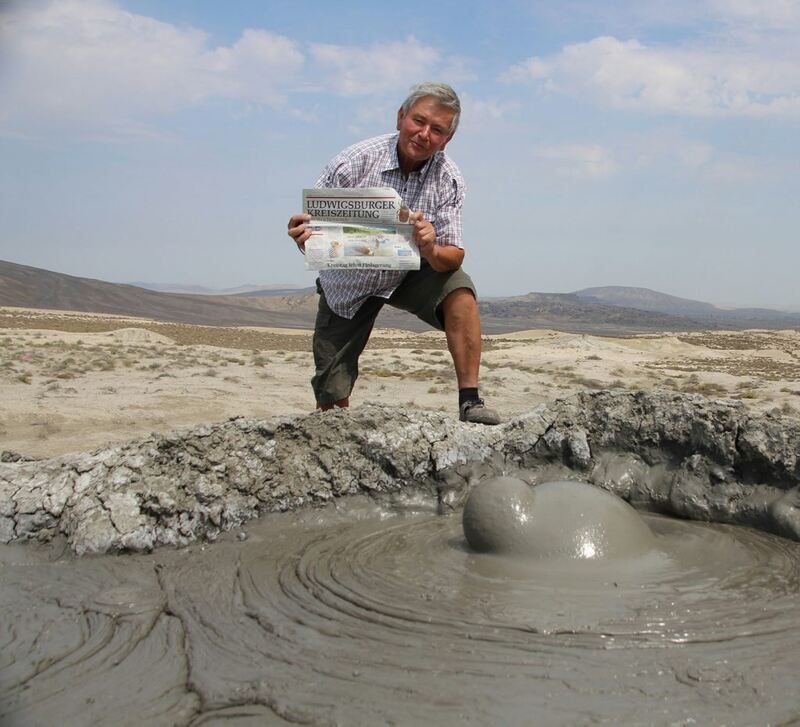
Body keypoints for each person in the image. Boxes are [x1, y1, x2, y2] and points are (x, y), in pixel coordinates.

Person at [287, 81, 500, 425]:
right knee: (331, 393)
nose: (424, 134)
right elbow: (315, 233)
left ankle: (470, 401)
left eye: (437, 130)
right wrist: (302, 237)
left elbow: (454, 256)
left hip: (409, 270)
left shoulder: (449, 178)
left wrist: (430, 246)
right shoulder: (353, 162)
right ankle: (338, 435)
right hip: (349, 283)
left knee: (460, 291)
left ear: (447, 139)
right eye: (419, 121)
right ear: (401, 117)